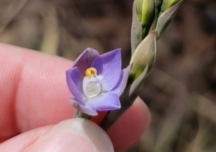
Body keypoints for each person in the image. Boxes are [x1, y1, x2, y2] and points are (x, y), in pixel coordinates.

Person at [0, 44, 150, 152]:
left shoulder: (113, 99)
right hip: (86, 100)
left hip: (102, 98)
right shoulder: (77, 86)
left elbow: (118, 94)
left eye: (92, 74)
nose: (91, 76)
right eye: (88, 74)